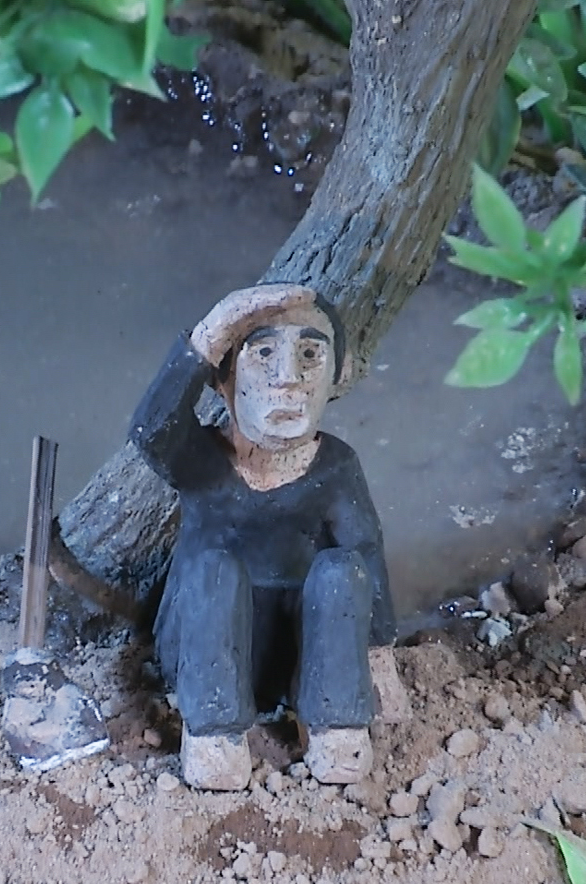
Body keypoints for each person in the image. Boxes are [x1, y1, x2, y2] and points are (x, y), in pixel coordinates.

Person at [131, 283, 397, 790]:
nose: (288, 378)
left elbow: (366, 550)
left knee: (343, 571)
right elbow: (151, 430)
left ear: (337, 375)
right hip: (207, 647)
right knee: (213, 569)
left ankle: (336, 722)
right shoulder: (202, 459)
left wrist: (379, 653)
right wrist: (208, 338)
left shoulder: (335, 466)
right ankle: (214, 733)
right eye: (264, 354)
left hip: (300, 649)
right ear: (223, 379)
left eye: (311, 356)